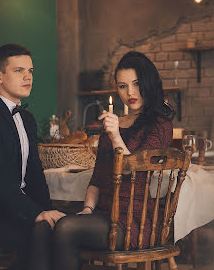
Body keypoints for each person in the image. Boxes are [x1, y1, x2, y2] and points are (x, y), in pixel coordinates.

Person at [52, 51, 175, 270]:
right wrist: (87, 209)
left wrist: (115, 135)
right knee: (46, 227)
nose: (130, 93)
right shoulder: (115, 124)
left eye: (136, 84)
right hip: (103, 216)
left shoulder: (160, 123)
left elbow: (132, 170)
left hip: (134, 223)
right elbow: (97, 178)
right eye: (122, 86)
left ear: (148, 82)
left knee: (65, 227)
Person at [0, 43, 65, 270]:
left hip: (15, 212)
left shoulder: (27, 118)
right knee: (38, 235)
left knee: (63, 231)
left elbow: (35, 173)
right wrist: (35, 213)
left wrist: (47, 212)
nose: (28, 77)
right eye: (19, 71)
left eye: (30, 71)